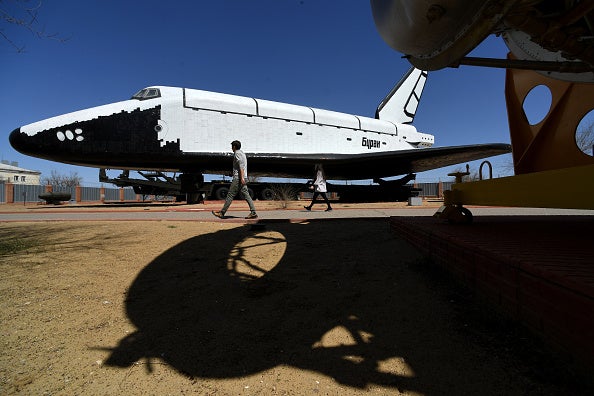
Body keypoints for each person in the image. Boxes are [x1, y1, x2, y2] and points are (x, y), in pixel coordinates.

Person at [212, 140, 258, 219]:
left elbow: (241, 166)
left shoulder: (237, 153)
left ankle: (222, 213)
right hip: (241, 177)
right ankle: (253, 212)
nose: (231, 148)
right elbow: (240, 167)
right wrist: (233, 174)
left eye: (232, 147)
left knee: (230, 195)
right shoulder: (242, 153)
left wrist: (241, 178)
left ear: (234, 147)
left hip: (238, 178)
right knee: (247, 195)